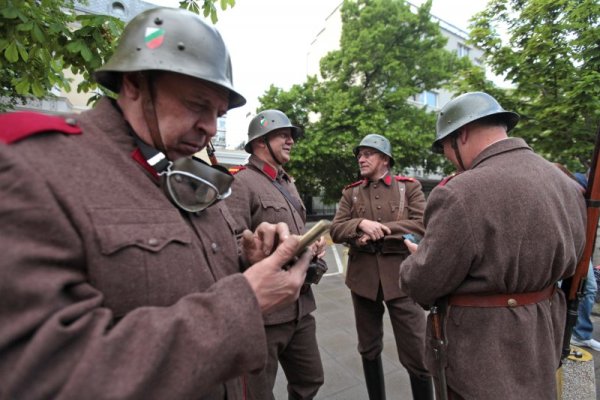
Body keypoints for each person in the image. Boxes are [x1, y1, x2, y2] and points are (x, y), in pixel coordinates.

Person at [0, 8, 314, 400]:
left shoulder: (182, 171)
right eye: (198, 104)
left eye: (217, 113)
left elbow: (191, 268)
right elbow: (44, 373)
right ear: (134, 83)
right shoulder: (38, 166)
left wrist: (247, 257)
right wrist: (246, 302)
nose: (211, 128)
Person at [398, 92, 586, 399]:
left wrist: (415, 263)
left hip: (481, 351)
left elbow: (424, 281)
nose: (446, 156)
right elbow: (575, 258)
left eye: (445, 146)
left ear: (462, 134)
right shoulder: (565, 184)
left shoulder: (461, 192)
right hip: (543, 337)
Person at [225, 110, 325, 400]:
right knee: (257, 393)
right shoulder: (241, 182)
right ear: (260, 142)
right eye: (284, 135)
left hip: (301, 306)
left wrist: (312, 245)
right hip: (266, 316)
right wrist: (253, 253)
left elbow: (295, 231)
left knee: (311, 380)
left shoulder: (287, 182)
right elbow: (231, 240)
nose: (291, 140)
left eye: (291, 135)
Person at [329, 134, 433, 400]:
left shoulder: (408, 188)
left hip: (401, 278)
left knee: (417, 350)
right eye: (359, 155)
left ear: (384, 159)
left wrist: (382, 230)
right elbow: (337, 229)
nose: (361, 159)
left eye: (368, 154)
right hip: (363, 280)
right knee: (368, 347)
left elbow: (422, 224)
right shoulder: (351, 192)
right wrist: (360, 224)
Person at [569, 172, 600, 351]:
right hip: (572, 245)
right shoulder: (578, 183)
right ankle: (577, 334)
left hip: (580, 245)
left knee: (589, 287)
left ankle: (581, 334)